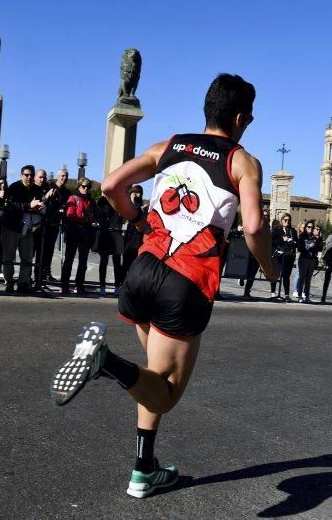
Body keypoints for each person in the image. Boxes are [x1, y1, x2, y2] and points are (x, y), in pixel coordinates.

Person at [49, 73, 278, 498]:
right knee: (166, 395)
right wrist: (268, 268)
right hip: (185, 281)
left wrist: (137, 220)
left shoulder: (168, 146)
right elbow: (254, 226)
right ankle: (105, 363)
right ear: (242, 117)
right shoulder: (242, 161)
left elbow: (112, 185)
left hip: (142, 271)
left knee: (151, 376)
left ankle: (143, 469)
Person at [0, 165, 44, 293]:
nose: (29, 177)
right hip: (12, 226)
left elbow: (39, 204)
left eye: (31, 175)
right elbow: (10, 204)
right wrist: (28, 205)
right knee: (8, 256)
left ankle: (23, 283)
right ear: (21, 175)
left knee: (27, 257)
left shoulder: (37, 189)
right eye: (26, 175)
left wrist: (41, 206)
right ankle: (9, 282)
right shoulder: (14, 187)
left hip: (29, 228)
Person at [60, 178, 97, 295]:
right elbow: (69, 214)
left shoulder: (90, 200)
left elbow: (93, 216)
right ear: (79, 186)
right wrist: (83, 218)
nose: (86, 189)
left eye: (88, 187)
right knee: (69, 260)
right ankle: (64, 285)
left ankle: (79, 285)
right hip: (74, 232)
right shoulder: (73, 197)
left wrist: (90, 218)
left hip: (85, 233)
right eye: (83, 186)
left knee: (83, 261)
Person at [37, 168, 70, 287]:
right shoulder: (49, 185)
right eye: (62, 176)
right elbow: (42, 200)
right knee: (41, 249)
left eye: (65, 176)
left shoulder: (66, 192)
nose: (64, 178)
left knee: (50, 250)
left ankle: (46, 273)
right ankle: (38, 274)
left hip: (55, 223)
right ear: (57, 176)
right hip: (44, 221)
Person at [96, 195, 124, 297]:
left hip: (116, 234)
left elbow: (123, 219)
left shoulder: (119, 201)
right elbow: (98, 215)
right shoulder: (102, 201)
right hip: (105, 234)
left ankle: (117, 287)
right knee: (103, 261)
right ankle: (102, 287)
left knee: (117, 263)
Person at [270, 212, 297, 302]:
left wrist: (293, 241)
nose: (287, 222)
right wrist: (282, 239)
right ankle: (273, 292)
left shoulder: (293, 231)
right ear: (282, 220)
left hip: (289, 255)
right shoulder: (277, 229)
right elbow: (272, 241)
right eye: (285, 220)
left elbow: (297, 241)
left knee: (286, 275)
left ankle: (286, 294)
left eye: (289, 220)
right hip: (279, 254)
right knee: (276, 273)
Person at [121, 185, 146, 278]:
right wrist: (130, 201)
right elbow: (124, 219)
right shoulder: (127, 204)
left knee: (135, 261)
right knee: (126, 260)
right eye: (135, 192)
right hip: (128, 235)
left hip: (138, 236)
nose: (138, 195)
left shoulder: (141, 207)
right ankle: (121, 283)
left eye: (140, 193)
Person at [295, 220, 320, 303]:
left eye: (312, 227)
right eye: (308, 227)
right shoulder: (302, 236)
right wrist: (309, 246)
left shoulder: (314, 237)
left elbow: (317, 249)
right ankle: (299, 296)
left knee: (308, 279)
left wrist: (316, 245)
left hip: (312, 259)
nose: (310, 228)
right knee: (301, 278)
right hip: (304, 259)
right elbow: (300, 248)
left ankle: (307, 296)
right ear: (306, 227)